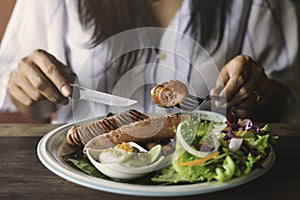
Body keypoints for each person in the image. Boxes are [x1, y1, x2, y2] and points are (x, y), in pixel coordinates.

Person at [2, 0, 300, 124]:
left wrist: (261, 93)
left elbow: (288, 99)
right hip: (80, 179)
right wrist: (27, 87)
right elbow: (29, 102)